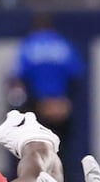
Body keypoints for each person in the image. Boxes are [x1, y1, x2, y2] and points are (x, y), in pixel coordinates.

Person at [12, 15, 83, 172]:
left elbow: (19, 77)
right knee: (61, 151)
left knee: (33, 149)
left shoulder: (29, 45)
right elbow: (76, 75)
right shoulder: (64, 44)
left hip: (38, 105)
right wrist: (62, 101)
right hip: (61, 104)